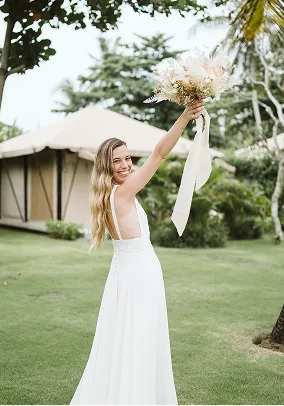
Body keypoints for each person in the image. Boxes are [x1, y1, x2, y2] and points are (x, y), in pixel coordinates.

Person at [69, 100, 205, 405]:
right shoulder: (124, 192)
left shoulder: (107, 196)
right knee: (140, 340)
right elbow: (159, 153)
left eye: (128, 158)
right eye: (117, 161)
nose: (126, 165)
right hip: (139, 274)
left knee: (124, 340)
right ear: (106, 165)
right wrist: (184, 116)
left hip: (124, 274)